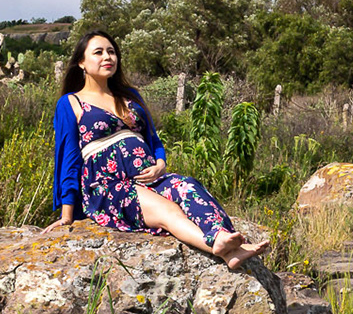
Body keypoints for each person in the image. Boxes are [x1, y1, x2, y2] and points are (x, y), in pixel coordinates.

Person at [49, 30, 268, 269]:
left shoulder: (129, 96)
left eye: (111, 52)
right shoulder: (71, 102)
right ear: (81, 62)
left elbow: (154, 141)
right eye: (98, 52)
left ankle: (228, 248)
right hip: (108, 186)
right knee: (167, 209)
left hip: (150, 178)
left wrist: (160, 164)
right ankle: (216, 243)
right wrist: (67, 215)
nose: (107, 57)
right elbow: (69, 159)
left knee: (189, 186)